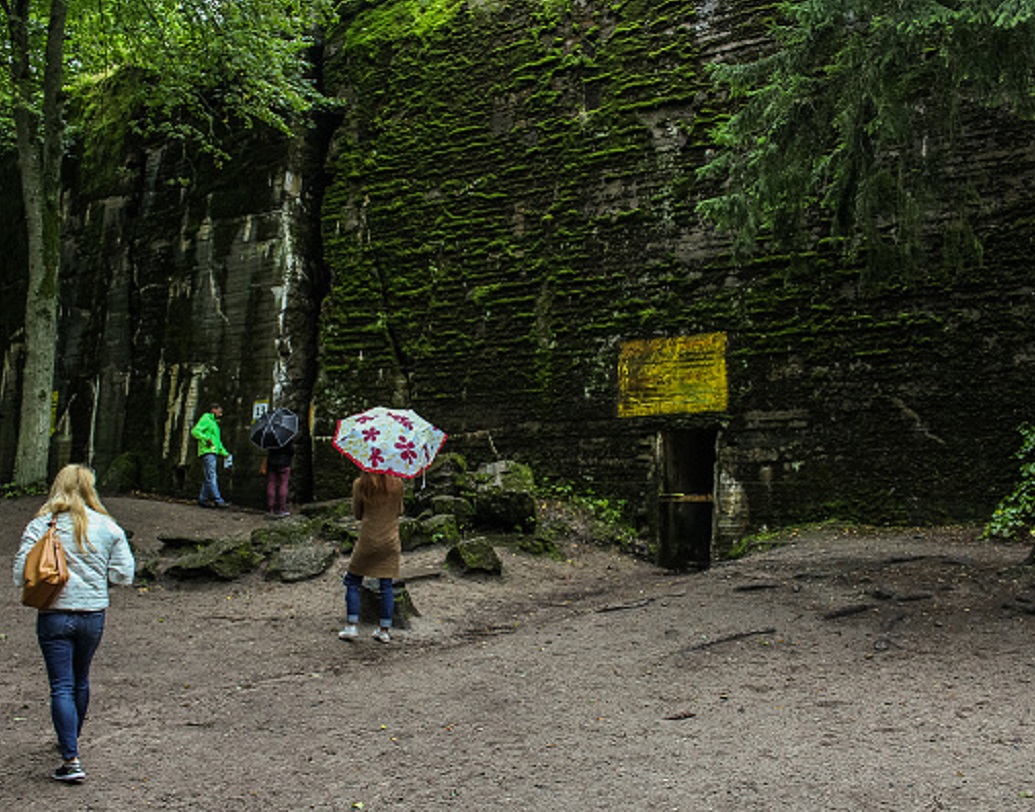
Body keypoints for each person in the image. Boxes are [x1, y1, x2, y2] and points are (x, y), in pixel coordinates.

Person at [12, 464, 136, 783]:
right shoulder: (108, 527)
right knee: (80, 680)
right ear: (90, 488)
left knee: (61, 686)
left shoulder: (41, 525)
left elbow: (19, 575)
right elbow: (124, 575)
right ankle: (71, 741)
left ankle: (70, 757)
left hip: (54, 614)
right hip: (93, 614)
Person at [339, 471, 404, 643]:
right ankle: (384, 630)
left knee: (352, 581)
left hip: (368, 540)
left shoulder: (360, 484)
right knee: (386, 585)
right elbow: (400, 510)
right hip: (390, 540)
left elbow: (358, 514)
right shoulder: (397, 483)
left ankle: (352, 626)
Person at [191, 403, 230, 508]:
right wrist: (205, 439)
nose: (221, 414)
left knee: (208, 476)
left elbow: (217, 442)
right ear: (213, 410)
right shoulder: (206, 419)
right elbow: (195, 431)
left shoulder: (215, 424)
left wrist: (225, 453)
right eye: (219, 411)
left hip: (212, 452)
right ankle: (218, 499)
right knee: (212, 476)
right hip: (207, 451)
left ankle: (202, 499)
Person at [264, 439, 294, 518]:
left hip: (271, 463)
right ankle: (282, 508)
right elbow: (291, 451)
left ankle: (270, 508)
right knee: (283, 484)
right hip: (284, 463)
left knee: (271, 483)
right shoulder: (287, 438)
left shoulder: (270, 437)